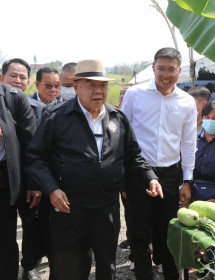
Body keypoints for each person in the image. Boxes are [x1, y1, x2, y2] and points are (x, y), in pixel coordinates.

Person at [25, 59, 163, 280]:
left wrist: (150, 177)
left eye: (103, 85)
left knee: (106, 265)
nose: (98, 91)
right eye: (91, 84)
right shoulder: (57, 117)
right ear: (76, 86)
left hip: (106, 207)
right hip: (69, 207)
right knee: (68, 268)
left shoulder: (117, 118)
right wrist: (51, 188)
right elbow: (35, 156)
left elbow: (133, 156)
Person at [120, 47, 197, 280]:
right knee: (138, 231)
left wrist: (187, 180)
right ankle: (143, 274)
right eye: (161, 69)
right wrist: (122, 177)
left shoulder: (187, 102)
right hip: (138, 174)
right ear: (153, 69)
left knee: (169, 230)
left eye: (171, 70)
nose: (166, 74)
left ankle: (171, 275)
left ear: (179, 71)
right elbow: (122, 135)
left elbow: (188, 143)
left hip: (170, 175)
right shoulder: (135, 94)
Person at [1, 58, 46, 280]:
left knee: (25, 225)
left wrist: (34, 182)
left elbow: (32, 146)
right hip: (5, 174)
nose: (18, 81)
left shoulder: (19, 100)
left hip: (17, 176)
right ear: (2, 77)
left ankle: (28, 264)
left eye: (22, 77)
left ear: (29, 81)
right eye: (13, 76)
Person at [0, 81, 36, 279]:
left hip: (5, 180)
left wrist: (33, 183)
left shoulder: (14, 98)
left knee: (5, 240)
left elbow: (31, 144)